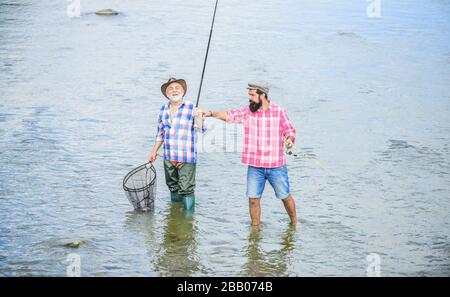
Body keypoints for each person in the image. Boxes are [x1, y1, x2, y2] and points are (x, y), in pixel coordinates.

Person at [203, 82, 297, 225]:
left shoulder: (279, 111)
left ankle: (294, 223)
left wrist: (289, 140)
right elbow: (229, 115)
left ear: (263, 95)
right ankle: (255, 231)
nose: (250, 98)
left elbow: (289, 131)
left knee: (284, 196)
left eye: (252, 95)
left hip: (276, 166)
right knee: (253, 200)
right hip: (255, 166)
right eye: (249, 94)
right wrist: (210, 113)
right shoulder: (248, 111)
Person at [148, 77, 206, 210]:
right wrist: (154, 151)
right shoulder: (163, 109)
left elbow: (201, 129)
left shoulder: (192, 107)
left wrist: (199, 117)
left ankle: (188, 218)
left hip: (186, 157)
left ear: (183, 91)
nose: (174, 90)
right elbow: (160, 133)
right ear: (166, 93)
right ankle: (175, 214)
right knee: (172, 186)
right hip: (168, 156)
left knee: (186, 189)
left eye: (177, 88)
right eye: (170, 89)